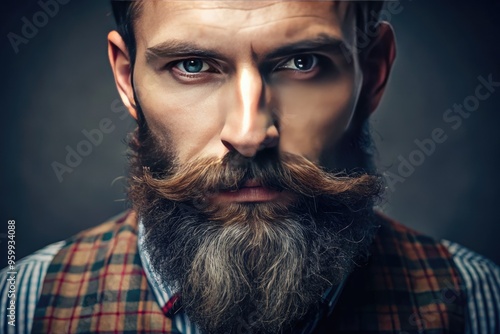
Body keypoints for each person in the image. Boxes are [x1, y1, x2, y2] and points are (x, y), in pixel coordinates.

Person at [1, 1, 499, 333]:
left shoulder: (481, 307)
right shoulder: (22, 308)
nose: (248, 133)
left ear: (373, 72)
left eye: (302, 62)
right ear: (128, 80)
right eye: (192, 65)